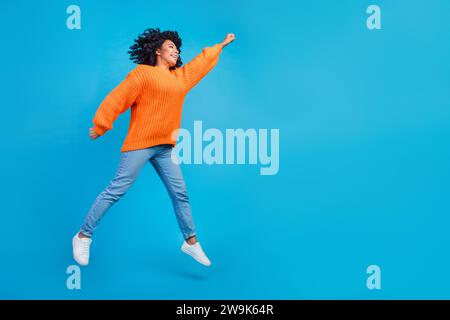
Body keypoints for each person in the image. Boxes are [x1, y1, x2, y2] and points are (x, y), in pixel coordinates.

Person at [72, 28, 236, 267]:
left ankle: (190, 243)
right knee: (117, 189)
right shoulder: (143, 74)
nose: (175, 50)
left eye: (177, 48)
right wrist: (101, 124)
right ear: (157, 50)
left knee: (180, 193)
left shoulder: (180, 78)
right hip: (141, 143)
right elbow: (119, 97)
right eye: (170, 46)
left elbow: (201, 63)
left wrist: (220, 45)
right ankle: (83, 236)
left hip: (165, 147)